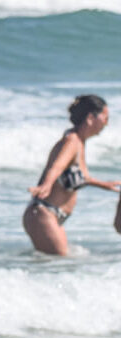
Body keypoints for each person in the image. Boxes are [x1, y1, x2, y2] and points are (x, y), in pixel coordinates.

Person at [23, 94, 121, 255]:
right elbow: (56, 166)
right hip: (43, 214)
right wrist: (45, 185)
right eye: (105, 118)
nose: (106, 123)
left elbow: (77, 176)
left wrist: (104, 184)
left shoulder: (79, 142)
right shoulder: (72, 141)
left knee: (61, 265)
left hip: (52, 216)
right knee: (57, 265)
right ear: (91, 117)